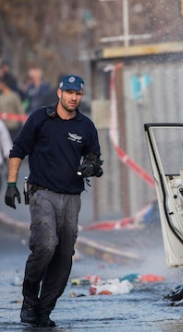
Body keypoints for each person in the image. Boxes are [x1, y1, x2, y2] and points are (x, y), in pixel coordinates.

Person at [4, 75, 103, 327]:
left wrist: (92, 165)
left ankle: (44, 309)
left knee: (64, 255)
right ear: (59, 92)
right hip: (42, 193)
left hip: (72, 197)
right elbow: (17, 151)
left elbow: (95, 157)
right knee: (46, 245)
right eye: (69, 92)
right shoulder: (40, 118)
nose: (73, 97)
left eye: (78, 93)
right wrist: (12, 184)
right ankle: (29, 300)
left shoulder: (86, 126)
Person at [0, 75, 26, 140]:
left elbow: (20, 111)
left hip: (13, 127)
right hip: (3, 126)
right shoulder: (1, 97)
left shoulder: (14, 96)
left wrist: (24, 126)